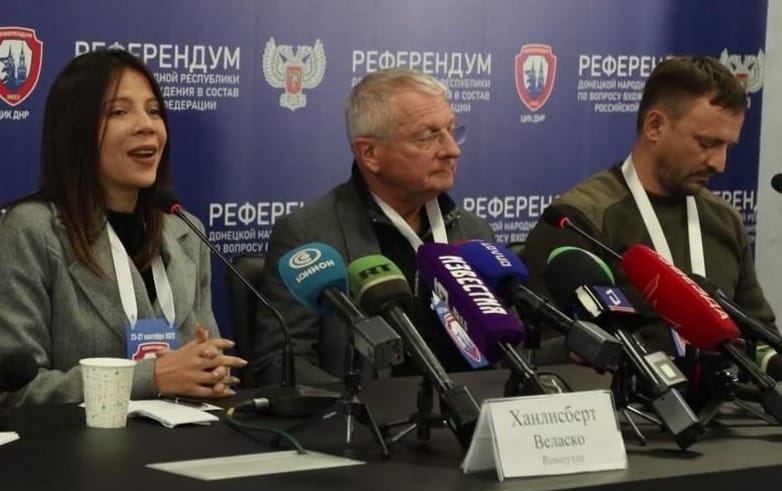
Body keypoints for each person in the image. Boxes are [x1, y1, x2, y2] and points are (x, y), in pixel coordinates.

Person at [0, 49, 247, 407]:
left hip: (186, 443)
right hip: (74, 454)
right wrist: (152, 378)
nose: (146, 125)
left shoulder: (184, 231)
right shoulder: (31, 230)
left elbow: (207, 359)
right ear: (76, 130)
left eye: (153, 111)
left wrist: (210, 371)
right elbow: (15, 392)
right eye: (119, 112)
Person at [522, 55, 781, 377]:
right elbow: (540, 349)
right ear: (655, 126)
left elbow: (760, 337)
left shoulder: (723, 219)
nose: (719, 163)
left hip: (731, 413)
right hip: (628, 417)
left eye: (728, 146)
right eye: (707, 143)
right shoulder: (580, 219)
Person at [252, 68, 494, 385]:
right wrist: (362, 408)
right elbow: (281, 364)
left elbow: (505, 348)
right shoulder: (308, 235)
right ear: (370, 153)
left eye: (452, 130)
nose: (452, 150)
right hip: (374, 425)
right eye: (428, 137)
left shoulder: (472, 232)